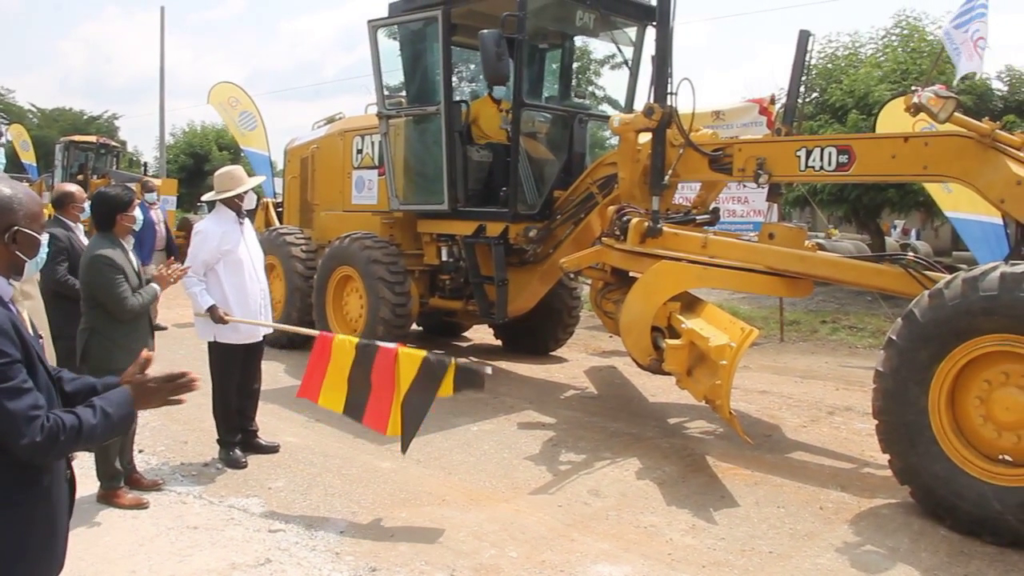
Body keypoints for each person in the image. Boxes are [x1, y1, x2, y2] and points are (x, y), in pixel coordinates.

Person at [0, 173, 200, 576]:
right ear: (13, 239)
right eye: (40, 233)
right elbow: (36, 433)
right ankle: (112, 480)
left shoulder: (7, 298)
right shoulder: (101, 253)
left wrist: (116, 387)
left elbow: (46, 378)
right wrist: (127, 399)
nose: (45, 242)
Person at [79, 183, 190, 510]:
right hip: (108, 349)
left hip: (128, 346)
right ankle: (109, 485)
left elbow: (134, 288)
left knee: (129, 410)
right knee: (111, 417)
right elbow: (126, 305)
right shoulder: (101, 254)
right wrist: (159, 286)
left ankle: (128, 470)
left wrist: (158, 280)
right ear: (120, 217)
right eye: (133, 211)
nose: (139, 215)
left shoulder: (119, 244)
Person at [183, 164, 279, 470]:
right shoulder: (208, 229)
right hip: (226, 323)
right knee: (227, 386)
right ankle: (228, 443)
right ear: (235, 197)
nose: (250, 196)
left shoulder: (244, 224)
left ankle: (249, 433)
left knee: (250, 383)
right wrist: (210, 306)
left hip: (253, 321)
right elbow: (192, 276)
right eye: (246, 192)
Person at [39, 183, 90, 370]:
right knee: (70, 370)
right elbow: (57, 277)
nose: (88, 204)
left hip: (80, 317)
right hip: (67, 320)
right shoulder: (55, 234)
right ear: (73, 207)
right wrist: (91, 294)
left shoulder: (77, 229)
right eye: (85, 201)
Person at [133, 179, 179, 332]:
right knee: (149, 287)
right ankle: (143, 322)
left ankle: (152, 320)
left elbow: (167, 230)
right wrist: (139, 258)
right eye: (148, 191)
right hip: (148, 255)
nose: (152, 194)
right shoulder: (138, 211)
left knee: (158, 288)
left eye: (154, 191)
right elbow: (135, 236)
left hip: (162, 253)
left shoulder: (161, 208)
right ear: (142, 193)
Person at [464, 83, 512, 206]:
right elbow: (460, 121)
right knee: (498, 153)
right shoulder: (477, 105)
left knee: (521, 151)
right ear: (491, 88)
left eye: (503, 87)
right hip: (485, 142)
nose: (502, 89)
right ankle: (496, 195)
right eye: (499, 86)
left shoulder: (507, 106)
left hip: (506, 142)